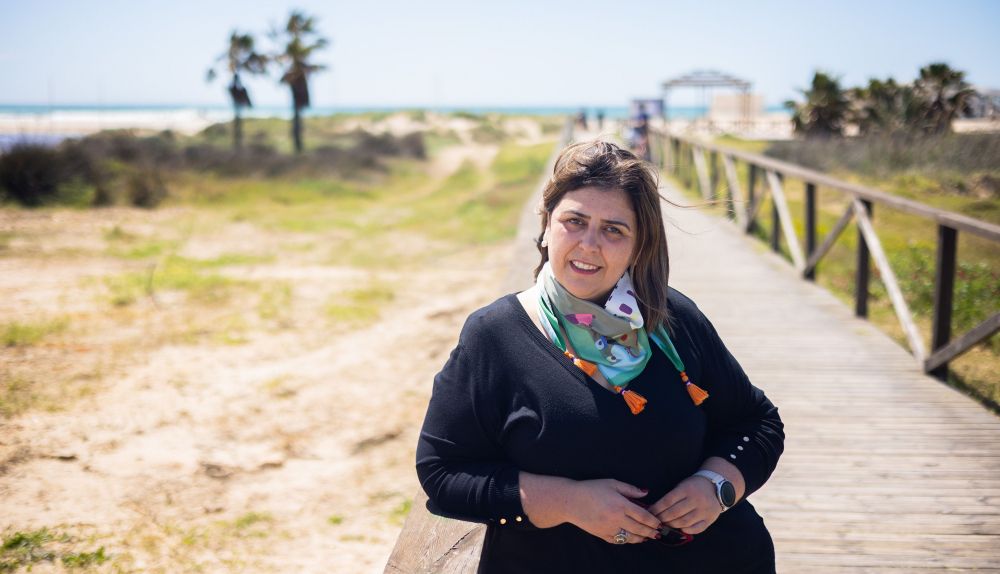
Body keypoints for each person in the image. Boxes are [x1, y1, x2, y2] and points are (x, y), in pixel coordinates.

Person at [415, 140, 784, 573]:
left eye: (614, 229)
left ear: (638, 243)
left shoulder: (672, 317)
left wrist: (716, 486)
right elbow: (443, 474)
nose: (590, 244)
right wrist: (567, 502)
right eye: (575, 221)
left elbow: (757, 422)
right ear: (547, 225)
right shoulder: (494, 335)